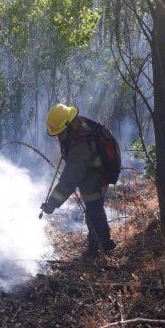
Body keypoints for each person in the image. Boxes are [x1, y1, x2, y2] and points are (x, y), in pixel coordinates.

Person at [41, 103, 117, 257]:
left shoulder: (80, 146)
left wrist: (52, 203)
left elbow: (69, 180)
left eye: (60, 133)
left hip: (97, 177)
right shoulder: (78, 125)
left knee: (93, 210)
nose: (59, 137)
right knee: (95, 209)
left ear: (68, 126)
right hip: (94, 171)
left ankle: (95, 249)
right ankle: (105, 242)